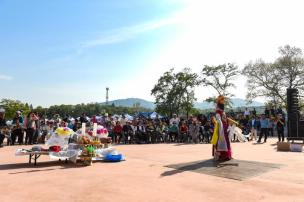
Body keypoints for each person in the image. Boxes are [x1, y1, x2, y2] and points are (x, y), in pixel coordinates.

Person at [211, 95, 232, 161]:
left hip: (225, 127)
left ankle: (227, 155)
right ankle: (220, 155)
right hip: (221, 127)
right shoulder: (218, 110)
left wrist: (229, 122)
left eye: (223, 100)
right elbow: (218, 119)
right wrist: (220, 126)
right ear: (219, 101)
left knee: (226, 141)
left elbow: (224, 118)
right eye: (222, 100)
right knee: (220, 141)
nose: (223, 101)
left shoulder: (222, 110)